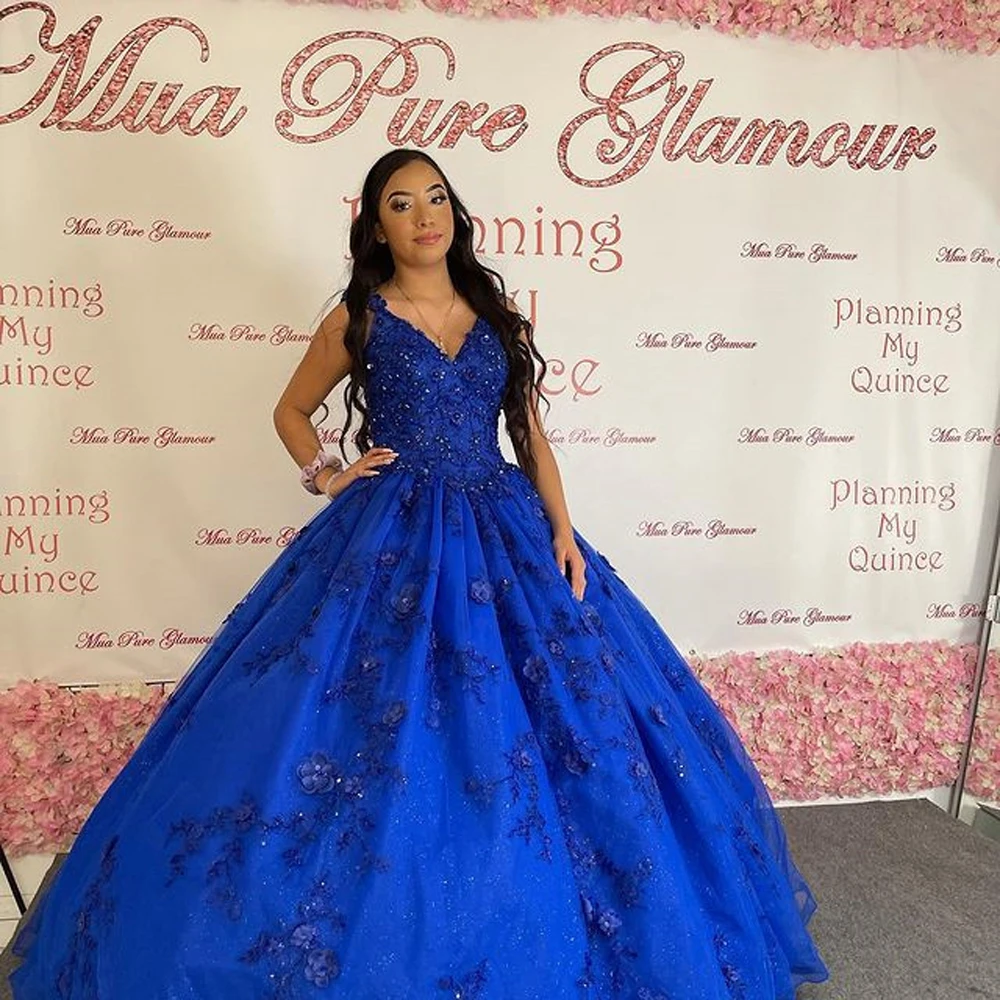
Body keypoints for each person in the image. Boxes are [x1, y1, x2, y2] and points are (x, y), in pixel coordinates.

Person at [9, 149, 829, 999]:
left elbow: (529, 434)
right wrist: (327, 474)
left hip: (504, 522)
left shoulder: (495, 313)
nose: (425, 216)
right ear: (376, 227)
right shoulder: (360, 318)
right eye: (401, 204)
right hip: (391, 531)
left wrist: (562, 529)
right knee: (367, 713)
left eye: (435, 198)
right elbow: (290, 410)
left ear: (454, 213)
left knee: (567, 720)